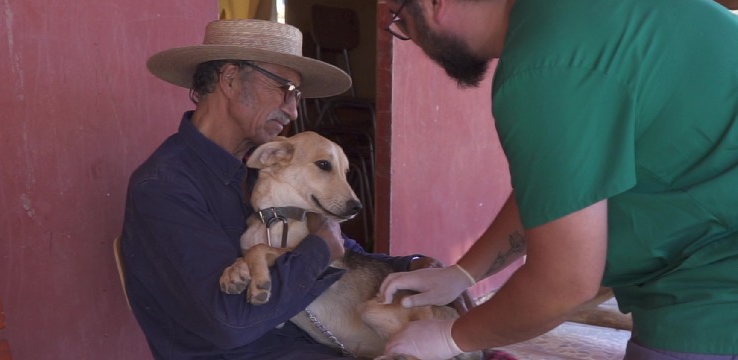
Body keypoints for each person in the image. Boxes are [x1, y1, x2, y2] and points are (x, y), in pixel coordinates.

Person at [376, 0, 738, 359]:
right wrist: (463, 274)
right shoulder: (566, 20)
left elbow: (565, 284)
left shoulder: (543, 64)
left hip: (717, 292)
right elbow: (560, 191)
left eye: (400, 20)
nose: (409, 38)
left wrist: (451, 336)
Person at [119, 19, 438, 360]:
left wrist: (413, 268)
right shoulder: (166, 187)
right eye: (284, 88)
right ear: (229, 79)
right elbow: (230, 323)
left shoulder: (265, 171)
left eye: (297, 96)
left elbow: (343, 255)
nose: (293, 109)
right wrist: (317, 250)